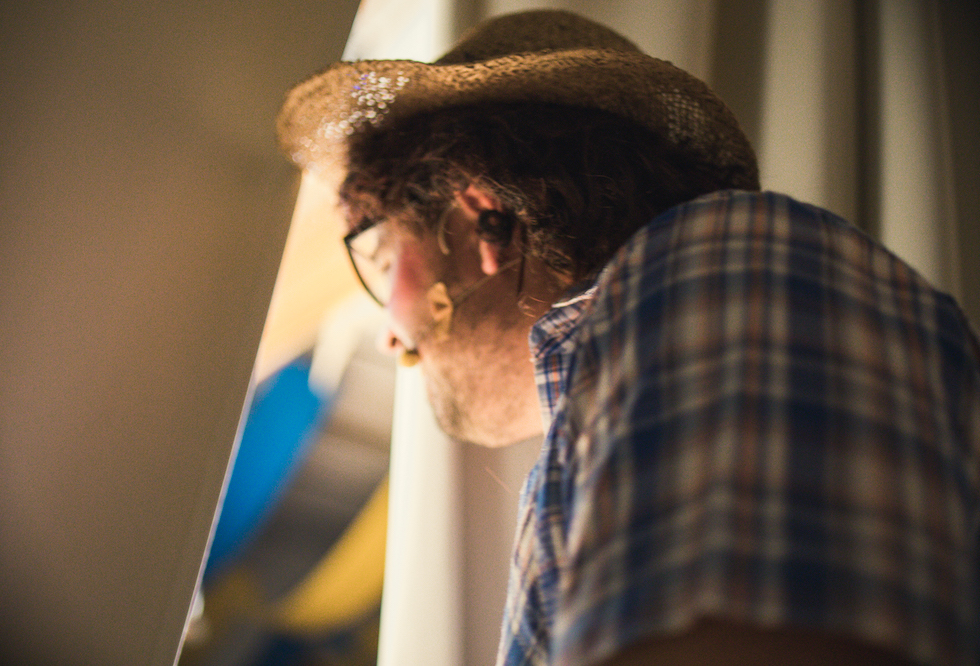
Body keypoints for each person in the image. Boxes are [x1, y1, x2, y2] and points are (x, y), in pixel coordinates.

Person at [277, 10, 979, 666]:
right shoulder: (648, 351)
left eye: (380, 258)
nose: (389, 338)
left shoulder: (726, 263)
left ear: (479, 217)